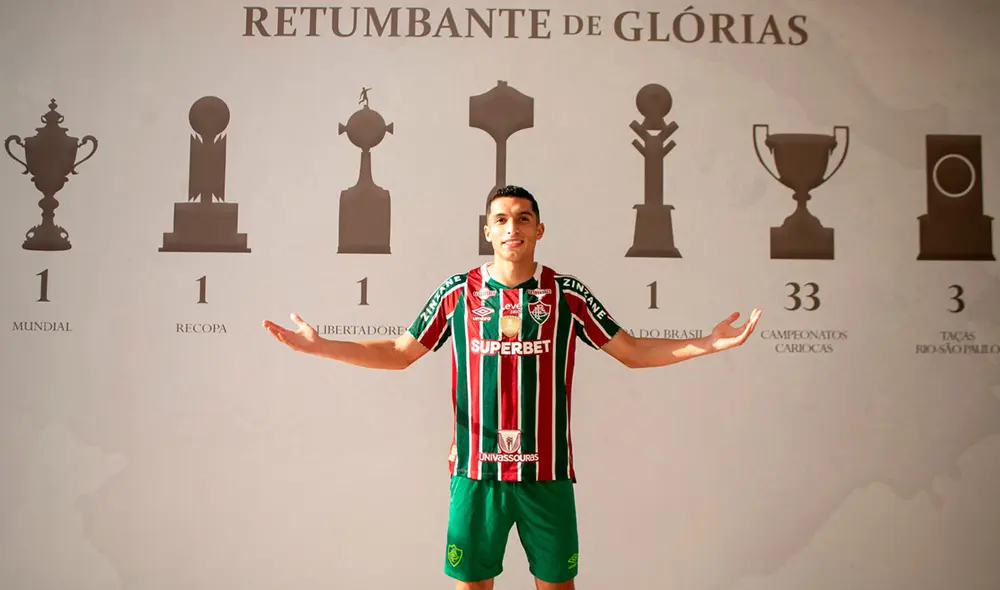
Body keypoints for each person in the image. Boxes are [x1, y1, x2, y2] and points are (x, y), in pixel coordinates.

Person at [262, 185, 762, 590]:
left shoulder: (566, 294)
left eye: (523, 218)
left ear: (539, 229)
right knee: (473, 588)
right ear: (487, 230)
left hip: (546, 475)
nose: (512, 226)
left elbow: (631, 351)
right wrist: (321, 345)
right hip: (477, 474)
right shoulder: (459, 292)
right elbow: (398, 353)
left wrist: (709, 344)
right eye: (501, 218)